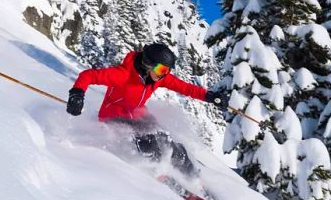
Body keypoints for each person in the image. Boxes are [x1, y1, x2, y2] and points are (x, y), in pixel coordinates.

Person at [66, 43, 229, 177]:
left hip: (138, 114)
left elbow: (185, 88)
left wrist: (210, 97)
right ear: (147, 64)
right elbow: (88, 75)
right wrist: (77, 94)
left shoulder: (157, 79)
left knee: (167, 140)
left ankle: (192, 177)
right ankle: (159, 175)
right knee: (150, 143)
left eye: (167, 71)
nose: (164, 75)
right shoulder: (122, 75)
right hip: (114, 116)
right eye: (161, 70)